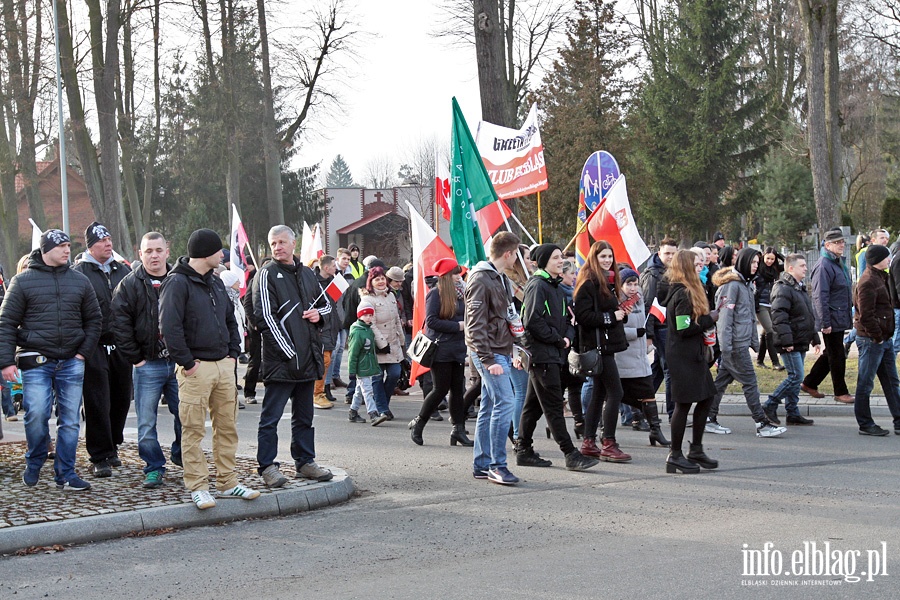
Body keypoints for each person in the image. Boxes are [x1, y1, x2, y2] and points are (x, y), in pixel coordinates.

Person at [159, 228, 260, 509]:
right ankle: (198, 486)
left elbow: (230, 319)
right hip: (196, 369)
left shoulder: (215, 282)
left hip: (224, 368)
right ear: (206, 253)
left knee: (227, 427)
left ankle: (228, 482)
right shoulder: (176, 283)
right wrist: (188, 364)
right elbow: (169, 327)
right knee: (192, 430)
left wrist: (232, 354)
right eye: (219, 251)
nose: (223, 256)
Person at [0, 230, 101, 490]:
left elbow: (94, 319)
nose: (67, 250)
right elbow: (7, 322)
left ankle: (65, 473)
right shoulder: (22, 282)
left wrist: (82, 353)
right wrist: (6, 362)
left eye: (69, 245)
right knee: (36, 414)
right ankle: (34, 460)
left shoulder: (79, 281)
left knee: (70, 420)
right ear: (46, 250)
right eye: (61, 246)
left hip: (71, 360)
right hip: (36, 360)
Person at [251, 225, 334, 487]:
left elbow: (326, 303)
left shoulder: (308, 273)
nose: (278, 247)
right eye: (273, 243)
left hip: (308, 358)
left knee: (305, 416)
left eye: (282, 242)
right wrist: (289, 352)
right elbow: (264, 317)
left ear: (293, 244)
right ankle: (267, 466)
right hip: (282, 361)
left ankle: (305, 462)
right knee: (271, 418)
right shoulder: (266, 274)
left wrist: (319, 315)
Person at [516, 244, 599, 471]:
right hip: (543, 355)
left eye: (561, 256)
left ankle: (523, 450)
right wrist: (557, 339)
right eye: (555, 258)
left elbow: (567, 320)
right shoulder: (538, 286)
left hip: (553, 353)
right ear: (542, 263)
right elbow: (532, 321)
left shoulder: (554, 286)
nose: (561, 261)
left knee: (533, 405)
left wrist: (567, 337)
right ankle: (571, 454)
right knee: (553, 405)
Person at [111, 232, 183, 488]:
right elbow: (119, 325)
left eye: (158, 250)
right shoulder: (129, 285)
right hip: (147, 364)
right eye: (148, 251)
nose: (154, 255)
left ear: (167, 251)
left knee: (185, 415)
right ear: (140, 254)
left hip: (179, 364)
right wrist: (136, 359)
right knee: (146, 421)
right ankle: (153, 466)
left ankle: (180, 452)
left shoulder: (180, 280)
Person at [72, 221, 133, 477]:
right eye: (102, 241)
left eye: (109, 239)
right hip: (93, 344)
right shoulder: (78, 273)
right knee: (98, 401)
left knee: (121, 398)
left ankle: (113, 446)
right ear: (90, 246)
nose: (108, 244)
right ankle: (99, 455)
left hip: (121, 344)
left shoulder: (123, 271)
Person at [707, 248, 787, 438]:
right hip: (734, 346)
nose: (755, 266)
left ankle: (708, 418)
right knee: (750, 383)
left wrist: (753, 341)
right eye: (752, 263)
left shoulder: (745, 284)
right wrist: (726, 347)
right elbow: (725, 319)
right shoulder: (732, 286)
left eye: (757, 263)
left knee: (720, 383)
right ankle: (761, 422)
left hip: (739, 343)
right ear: (743, 262)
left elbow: (749, 316)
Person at [466, 231, 523, 485]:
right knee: (505, 403)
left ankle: (482, 464)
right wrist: (487, 359)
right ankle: (497, 465)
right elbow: (474, 324)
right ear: (508, 253)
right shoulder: (481, 279)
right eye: (516, 253)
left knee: (490, 407)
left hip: (499, 349)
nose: (517, 259)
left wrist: (513, 347)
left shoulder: (498, 278)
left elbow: (506, 316)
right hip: (489, 352)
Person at [574, 240, 632, 462]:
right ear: (594, 258)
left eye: (610, 256)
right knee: (615, 392)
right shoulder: (589, 281)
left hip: (607, 345)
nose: (607, 260)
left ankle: (589, 441)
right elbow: (582, 316)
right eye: (603, 257)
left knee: (599, 394)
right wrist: (611, 317)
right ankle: (608, 442)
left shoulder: (607, 281)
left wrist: (620, 312)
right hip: (597, 347)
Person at [662, 250, 719, 474]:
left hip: (693, 354)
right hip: (682, 356)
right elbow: (683, 327)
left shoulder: (690, 290)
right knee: (683, 404)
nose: (701, 267)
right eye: (696, 264)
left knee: (706, 398)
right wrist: (709, 319)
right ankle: (675, 455)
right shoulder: (682, 293)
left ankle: (696, 448)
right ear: (686, 267)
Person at [408, 257, 473, 446]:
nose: (459, 276)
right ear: (446, 276)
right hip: (441, 349)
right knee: (440, 389)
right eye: (455, 273)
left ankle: (458, 430)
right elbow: (432, 321)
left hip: (458, 349)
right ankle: (419, 423)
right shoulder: (435, 294)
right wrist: (458, 326)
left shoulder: (461, 293)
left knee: (457, 390)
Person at [615, 267, 670, 447]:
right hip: (623, 358)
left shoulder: (638, 299)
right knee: (616, 396)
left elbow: (645, 322)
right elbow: (615, 330)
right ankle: (603, 431)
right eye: (628, 284)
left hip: (639, 357)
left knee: (648, 394)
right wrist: (635, 332)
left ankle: (655, 431)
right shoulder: (617, 302)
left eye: (635, 283)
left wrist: (646, 335)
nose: (633, 287)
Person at [764, 254, 819, 426]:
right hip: (790, 342)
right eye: (802, 265)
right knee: (796, 376)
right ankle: (769, 405)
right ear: (790, 268)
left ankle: (792, 412)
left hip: (800, 339)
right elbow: (779, 317)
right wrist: (787, 342)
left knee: (795, 376)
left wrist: (814, 337)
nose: (806, 268)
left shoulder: (799, 287)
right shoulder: (783, 288)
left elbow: (807, 315)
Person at [801, 229, 854, 404]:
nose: (842, 244)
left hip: (838, 316)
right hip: (831, 318)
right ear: (827, 245)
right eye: (837, 242)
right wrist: (825, 322)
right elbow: (819, 296)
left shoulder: (836, 263)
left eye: (842, 241)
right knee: (837, 355)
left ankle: (810, 383)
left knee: (831, 353)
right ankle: (840, 391)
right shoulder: (824, 265)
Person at [852, 244, 900, 436]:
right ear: (878, 260)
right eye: (887, 257)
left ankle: (899, 420)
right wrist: (878, 338)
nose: (890, 259)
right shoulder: (867, 281)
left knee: (891, 381)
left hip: (884, 339)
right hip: (871, 340)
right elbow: (866, 315)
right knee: (865, 383)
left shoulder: (882, 277)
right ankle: (865, 423)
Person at [359, 266, 405, 420]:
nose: (380, 281)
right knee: (377, 378)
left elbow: (397, 319)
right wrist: (381, 343)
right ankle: (382, 409)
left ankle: (383, 404)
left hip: (393, 343)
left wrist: (402, 339)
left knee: (394, 374)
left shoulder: (391, 295)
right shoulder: (368, 299)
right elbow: (370, 323)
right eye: (376, 279)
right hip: (377, 345)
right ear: (370, 282)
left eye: (382, 278)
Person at [640, 238, 677, 419]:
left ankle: (638, 407)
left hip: (670, 327)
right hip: (660, 328)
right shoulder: (653, 275)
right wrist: (649, 334)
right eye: (667, 253)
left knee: (658, 371)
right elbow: (648, 306)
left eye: (673, 253)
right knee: (670, 369)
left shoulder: (674, 272)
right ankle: (673, 413)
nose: (670, 256)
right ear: (659, 253)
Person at [347, 300, 386, 425]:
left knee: (360, 391)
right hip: (361, 367)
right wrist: (352, 371)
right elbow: (352, 353)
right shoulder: (358, 332)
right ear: (360, 315)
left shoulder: (368, 329)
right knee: (368, 391)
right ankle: (373, 414)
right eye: (365, 315)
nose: (368, 317)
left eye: (370, 315)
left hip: (367, 366)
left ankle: (353, 412)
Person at [313, 255, 341, 409]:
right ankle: (316, 394)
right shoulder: (314, 283)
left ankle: (321, 391)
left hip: (332, 326)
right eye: (333, 265)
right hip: (321, 327)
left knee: (328, 360)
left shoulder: (333, 282)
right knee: (323, 361)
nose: (336, 268)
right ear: (326, 267)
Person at [328, 248, 353, 390]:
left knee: (341, 348)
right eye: (344, 259)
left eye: (348, 259)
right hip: (334, 317)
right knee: (334, 347)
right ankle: (329, 378)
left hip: (345, 317)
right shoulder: (333, 274)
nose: (346, 262)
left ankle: (336, 376)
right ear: (337, 259)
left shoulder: (349, 274)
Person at [755, 247, 784, 371]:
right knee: (770, 331)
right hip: (760, 303)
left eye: (772, 259)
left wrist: (779, 255)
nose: (770, 261)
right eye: (768, 258)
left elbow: (788, 263)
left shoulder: (775, 269)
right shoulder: (758, 268)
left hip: (771, 303)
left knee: (765, 333)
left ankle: (760, 360)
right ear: (763, 256)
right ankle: (775, 362)